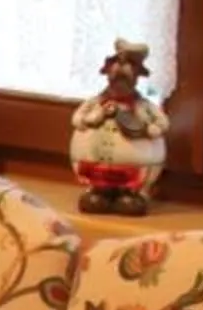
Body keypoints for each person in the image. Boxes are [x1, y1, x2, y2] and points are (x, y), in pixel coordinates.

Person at [69, 38, 169, 215]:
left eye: (126, 78)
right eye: (115, 77)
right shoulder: (96, 103)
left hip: (134, 168)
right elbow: (77, 118)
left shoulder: (143, 107)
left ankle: (131, 195)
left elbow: (162, 123)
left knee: (129, 203)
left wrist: (152, 128)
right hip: (95, 168)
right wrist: (91, 118)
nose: (119, 83)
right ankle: (99, 193)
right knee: (94, 201)